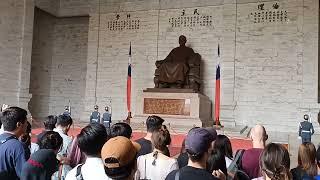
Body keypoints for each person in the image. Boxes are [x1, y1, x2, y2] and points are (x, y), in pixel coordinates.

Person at [0, 107, 28, 179]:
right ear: (18, 124)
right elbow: (24, 175)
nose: (27, 125)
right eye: (26, 122)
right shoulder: (17, 146)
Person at [53, 115, 73, 180]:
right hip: (60, 171)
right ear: (68, 126)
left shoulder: (47, 134)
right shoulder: (68, 140)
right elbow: (70, 158)